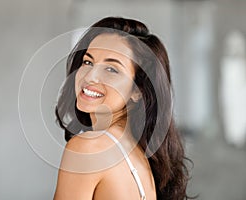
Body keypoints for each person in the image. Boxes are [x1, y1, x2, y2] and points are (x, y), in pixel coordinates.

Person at [54, 16, 192, 200]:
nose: (90, 77)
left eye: (111, 69)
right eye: (88, 62)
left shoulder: (88, 147)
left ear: (138, 91)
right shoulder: (138, 154)